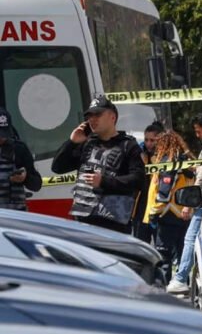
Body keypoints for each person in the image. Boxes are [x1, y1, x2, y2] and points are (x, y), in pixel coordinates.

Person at [52, 96, 145, 233]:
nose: (92, 119)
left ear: (112, 117)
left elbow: (139, 180)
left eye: (97, 114)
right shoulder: (86, 143)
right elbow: (57, 167)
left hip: (113, 225)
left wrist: (103, 181)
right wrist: (71, 142)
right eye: (90, 116)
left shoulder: (128, 146)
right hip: (82, 222)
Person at [166, 113, 202, 294]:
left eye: (199, 131)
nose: (197, 135)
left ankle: (181, 278)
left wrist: (189, 203)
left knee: (190, 239)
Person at [143, 131, 195, 277]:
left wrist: (154, 212)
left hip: (168, 214)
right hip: (183, 214)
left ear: (163, 145)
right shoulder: (185, 161)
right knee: (182, 254)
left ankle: (164, 286)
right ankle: (183, 283)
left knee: (164, 256)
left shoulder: (168, 162)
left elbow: (164, 192)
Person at [0, 107, 42, 209]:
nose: (2, 138)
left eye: (4, 134)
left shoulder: (18, 149)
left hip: (14, 214)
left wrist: (25, 178)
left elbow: (37, 184)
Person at [132, 121, 165, 243]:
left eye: (152, 140)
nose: (149, 143)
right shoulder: (139, 153)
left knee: (161, 246)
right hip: (141, 206)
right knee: (140, 244)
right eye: (146, 140)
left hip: (158, 206)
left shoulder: (165, 156)